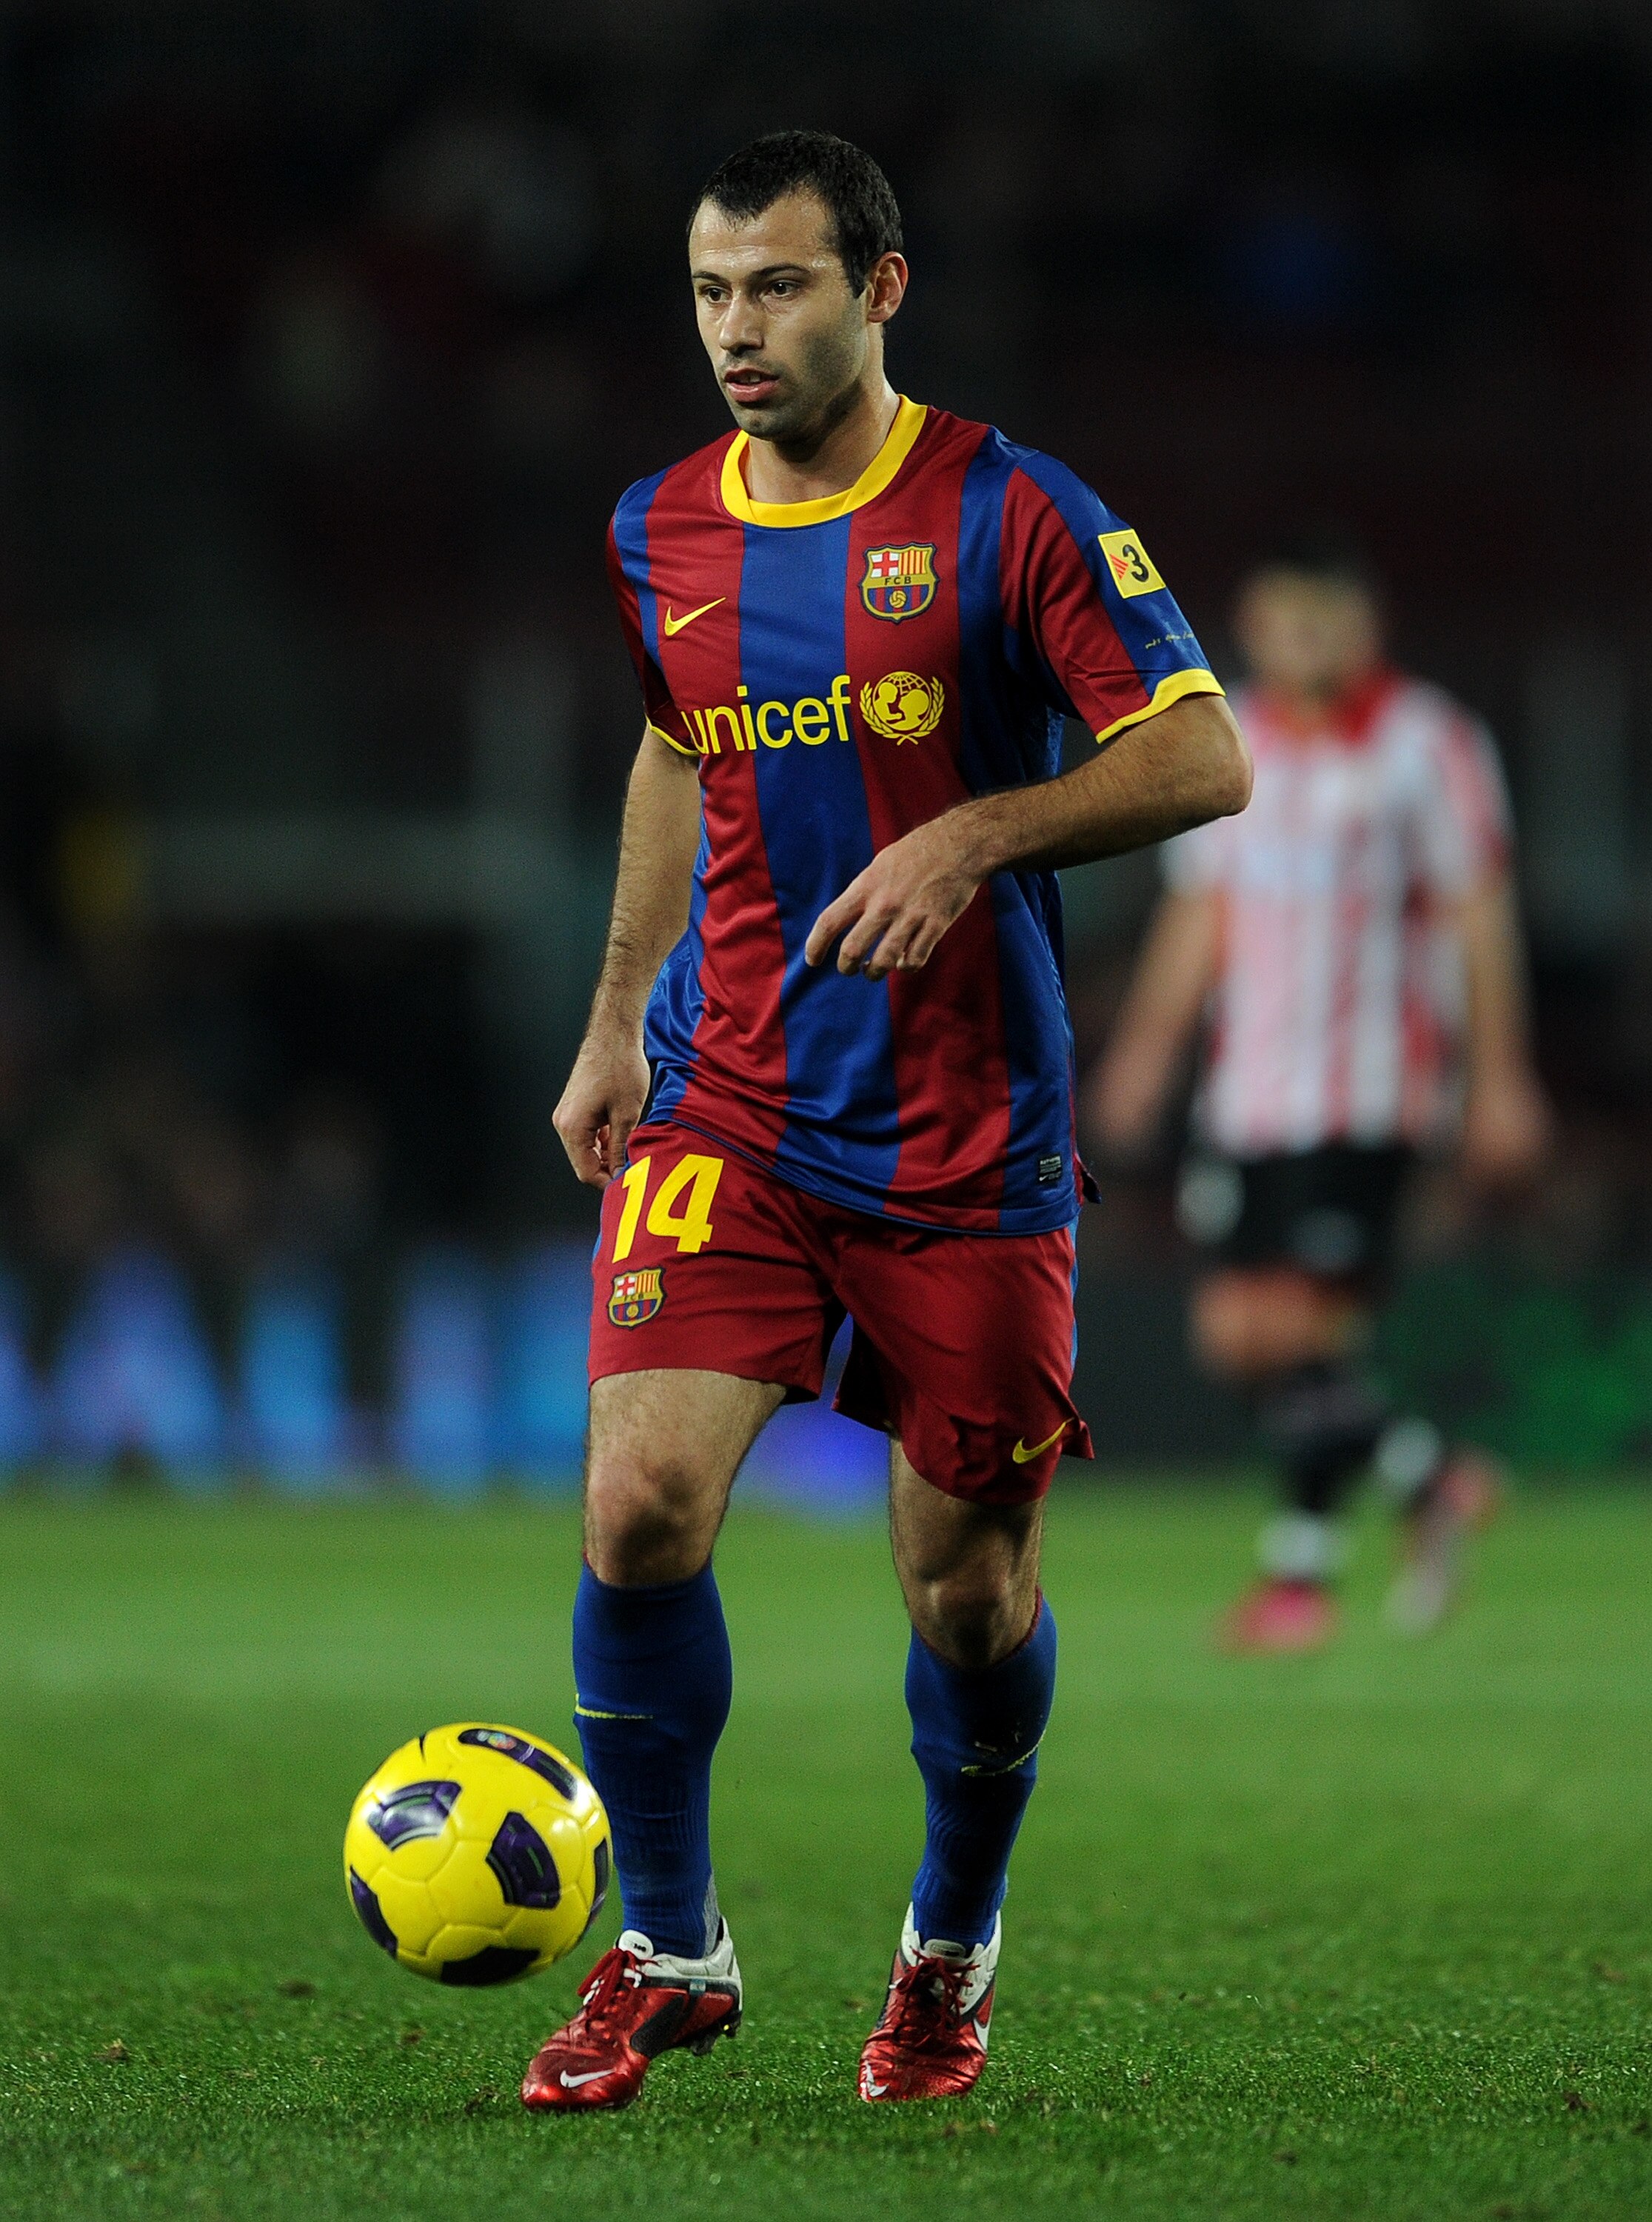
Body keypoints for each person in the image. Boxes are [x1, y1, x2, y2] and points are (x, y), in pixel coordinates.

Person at [524, 130, 1249, 2113]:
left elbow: (1204, 752)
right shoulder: (659, 527)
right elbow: (679, 754)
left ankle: (949, 1946)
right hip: (733, 1101)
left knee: (969, 1587)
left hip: (963, 1141)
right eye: (708, 293)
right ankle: (670, 1948)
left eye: (778, 288)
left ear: (881, 290)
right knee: (635, 1504)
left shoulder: (1011, 511)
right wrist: (614, 1026)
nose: (737, 331)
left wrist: (982, 833)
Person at [1087, 535, 1548, 1654]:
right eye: (1287, 621)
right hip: (1249, 1097)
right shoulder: (1226, 740)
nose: (1308, 642)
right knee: (1236, 1339)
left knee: (1295, 1326)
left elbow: (1479, 913)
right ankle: (1426, 1473)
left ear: (1365, 624)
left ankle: (1299, 1584)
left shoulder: (1427, 745)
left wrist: (1502, 1079)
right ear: (1251, 628)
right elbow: (1201, 912)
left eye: (1327, 620)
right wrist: (1146, 1055)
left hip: (1370, 1094)